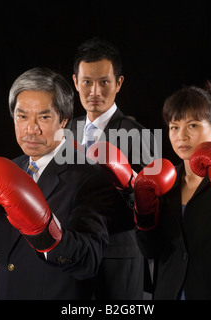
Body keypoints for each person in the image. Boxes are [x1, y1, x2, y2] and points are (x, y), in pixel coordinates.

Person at [0, 67, 121, 300]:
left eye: (44, 117)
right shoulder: (8, 169)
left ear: (63, 120)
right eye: (22, 116)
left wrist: (44, 233)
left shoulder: (89, 177)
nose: (31, 129)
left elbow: (87, 262)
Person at [135, 81, 211, 299]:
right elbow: (150, 250)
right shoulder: (163, 180)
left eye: (192, 125)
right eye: (174, 127)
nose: (181, 135)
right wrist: (144, 209)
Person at [67, 37, 156, 299]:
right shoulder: (66, 130)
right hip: (73, 252)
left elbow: (151, 209)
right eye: (87, 82)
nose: (94, 91)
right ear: (75, 82)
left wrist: (129, 185)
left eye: (104, 82)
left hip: (118, 255)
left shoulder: (138, 135)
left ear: (118, 83)